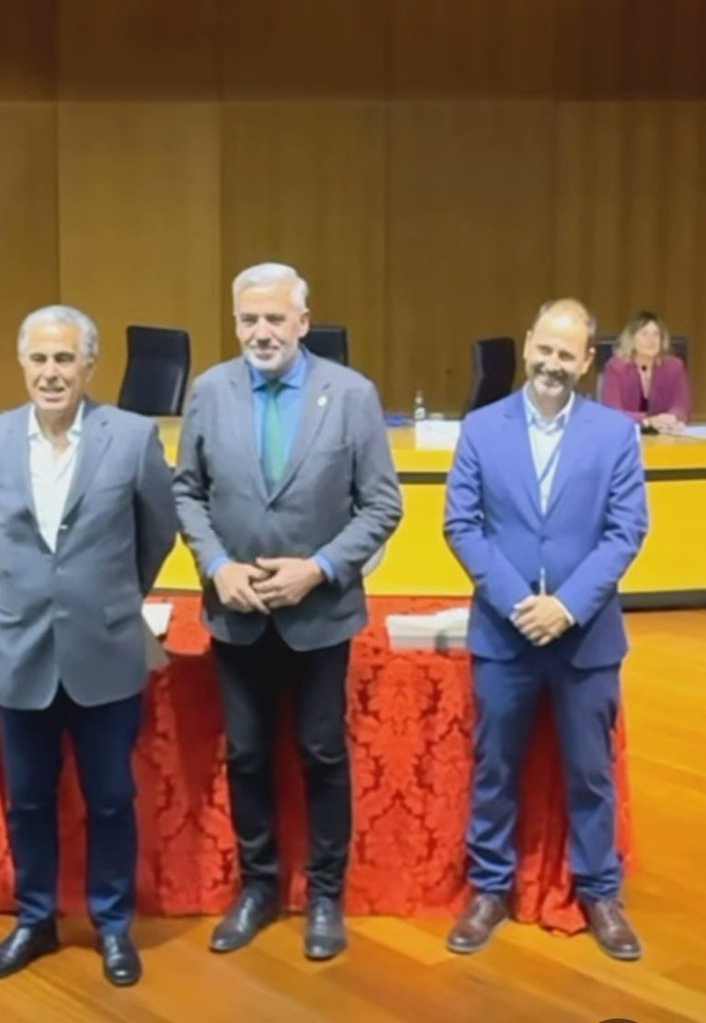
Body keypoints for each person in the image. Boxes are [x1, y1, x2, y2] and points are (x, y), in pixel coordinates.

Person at [173, 262, 403, 961]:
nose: (262, 332)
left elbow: (382, 504)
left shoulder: (352, 395)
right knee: (245, 754)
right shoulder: (209, 392)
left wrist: (320, 568)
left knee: (320, 752)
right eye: (249, 319)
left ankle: (325, 897)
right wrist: (217, 566)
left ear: (303, 323)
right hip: (236, 611)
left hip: (319, 614)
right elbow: (187, 492)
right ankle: (258, 888)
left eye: (276, 318)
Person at [0, 305, 176, 987]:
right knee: (27, 800)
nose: (51, 373)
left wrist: (108, 598)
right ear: (21, 364)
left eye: (64, 360)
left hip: (105, 649)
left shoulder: (133, 436)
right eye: (39, 360)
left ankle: (112, 925)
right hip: (20, 649)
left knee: (110, 796)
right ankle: (35, 919)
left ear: (89, 365)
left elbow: (156, 535)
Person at [444, 298, 648, 961]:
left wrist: (564, 606)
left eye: (567, 355)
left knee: (590, 774)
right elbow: (461, 527)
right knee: (494, 768)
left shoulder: (614, 434)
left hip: (584, 639)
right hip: (504, 639)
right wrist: (515, 602)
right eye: (545, 349)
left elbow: (626, 532)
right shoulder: (478, 428)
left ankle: (598, 892)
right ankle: (489, 888)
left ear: (586, 362)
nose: (552, 364)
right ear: (527, 343)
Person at [599, 309, 690, 433]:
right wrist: (648, 421)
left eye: (656, 334)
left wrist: (673, 417)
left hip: (664, 437)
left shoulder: (674, 366)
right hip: (625, 436)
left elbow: (681, 405)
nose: (651, 340)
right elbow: (613, 412)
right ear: (632, 339)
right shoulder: (616, 367)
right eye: (644, 334)